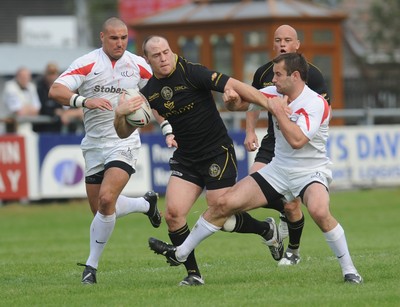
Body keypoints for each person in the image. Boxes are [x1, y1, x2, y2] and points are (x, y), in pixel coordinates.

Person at [148, 53, 363, 284]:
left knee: (320, 212)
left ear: (296, 76)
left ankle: (350, 271)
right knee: (222, 204)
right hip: (278, 170)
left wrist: (278, 110)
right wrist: (231, 102)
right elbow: (242, 104)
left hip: (310, 172)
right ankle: (180, 253)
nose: (273, 79)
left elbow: (297, 141)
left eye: (278, 75)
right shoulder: (275, 94)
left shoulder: (316, 103)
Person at [114, 35, 280, 286]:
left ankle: (266, 230)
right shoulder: (148, 93)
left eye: (166, 52)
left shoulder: (192, 72)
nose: (163, 58)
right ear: (147, 60)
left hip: (217, 152)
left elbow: (235, 85)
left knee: (221, 215)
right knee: (172, 214)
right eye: (156, 55)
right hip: (186, 159)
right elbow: (123, 131)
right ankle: (193, 274)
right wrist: (120, 114)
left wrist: (269, 103)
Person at [48, 17, 161, 285]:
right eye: (114, 38)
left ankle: (91, 267)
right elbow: (56, 90)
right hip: (94, 145)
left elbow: (158, 95)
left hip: (124, 142)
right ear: (102, 37)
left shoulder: (138, 65)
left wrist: (167, 127)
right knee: (101, 209)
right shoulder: (88, 63)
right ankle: (146, 204)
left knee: (107, 199)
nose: (119, 42)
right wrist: (84, 100)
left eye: (123, 37)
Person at [225, 24, 332, 266]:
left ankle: (293, 249)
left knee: (297, 203)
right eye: (277, 40)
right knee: (259, 182)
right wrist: (250, 130)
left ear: (297, 46)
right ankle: (281, 214)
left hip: (298, 139)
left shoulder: (311, 74)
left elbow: (326, 108)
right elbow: (255, 102)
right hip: (273, 139)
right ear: (272, 44)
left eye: (287, 40)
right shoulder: (265, 73)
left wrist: (311, 134)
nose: (282, 44)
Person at [33, 62, 83, 133]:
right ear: (45, 74)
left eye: (54, 73)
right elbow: (41, 108)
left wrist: (67, 113)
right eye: (50, 73)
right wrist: (56, 112)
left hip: (70, 131)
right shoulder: (40, 89)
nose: (52, 76)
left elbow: (82, 110)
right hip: (48, 130)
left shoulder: (67, 88)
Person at [2, 67, 41, 133]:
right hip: (8, 128)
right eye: (22, 77)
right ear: (17, 77)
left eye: (26, 77)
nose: (24, 79)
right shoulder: (10, 87)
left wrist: (25, 109)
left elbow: (37, 110)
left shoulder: (31, 87)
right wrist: (29, 108)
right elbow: (17, 111)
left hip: (27, 127)